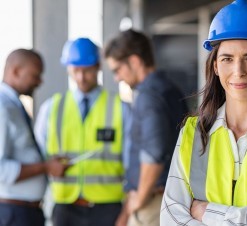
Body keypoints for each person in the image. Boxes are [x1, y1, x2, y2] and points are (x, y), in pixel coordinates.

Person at [160, 0, 247, 225]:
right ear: (215, 66)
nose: (238, 71)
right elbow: (171, 219)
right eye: (227, 59)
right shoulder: (192, 133)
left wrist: (207, 212)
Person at [35, 38, 127, 226]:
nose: (81, 77)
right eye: (75, 71)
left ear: (98, 67)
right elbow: (39, 157)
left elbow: (133, 162)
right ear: (68, 68)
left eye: (87, 71)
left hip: (108, 207)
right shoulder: (52, 108)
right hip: (65, 207)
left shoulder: (120, 108)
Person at [104, 29, 188, 226]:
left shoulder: (149, 95)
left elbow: (154, 152)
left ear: (134, 61)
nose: (117, 78)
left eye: (117, 70)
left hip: (153, 202)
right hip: (167, 197)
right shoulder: (168, 88)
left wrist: (139, 199)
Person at [0, 49, 68, 226]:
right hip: (13, 213)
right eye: (35, 75)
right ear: (16, 71)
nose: (39, 81)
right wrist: (45, 167)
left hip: (26, 212)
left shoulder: (13, 106)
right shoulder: (2, 109)